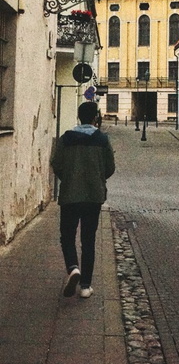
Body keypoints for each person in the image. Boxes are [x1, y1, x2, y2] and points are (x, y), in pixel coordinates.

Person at [51, 101, 115, 298]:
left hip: (70, 195)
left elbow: (56, 163)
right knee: (88, 240)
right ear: (95, 117)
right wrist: (97, 177)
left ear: (78, 117)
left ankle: (73, 268)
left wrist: (68, 178)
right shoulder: (102, 140)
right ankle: (86, 286)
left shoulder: (66, 138)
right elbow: (110, 167)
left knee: (67, 235)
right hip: (93, 197)